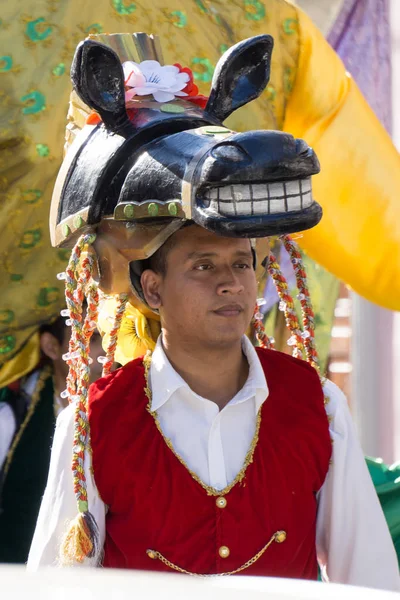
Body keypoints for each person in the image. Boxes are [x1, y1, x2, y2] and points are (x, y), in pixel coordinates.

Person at [27, 33, 399, 590]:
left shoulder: (317, 405)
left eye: (241, 264)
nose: (231, 283)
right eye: (203, 266)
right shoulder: (92, 425)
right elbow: (56, 586)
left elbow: (366, 577)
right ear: (152, 290)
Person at [0, 316, 104, 563]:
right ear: (51, 347)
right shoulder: (12, 414)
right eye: (94, 338)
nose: (105, 350)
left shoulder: (131, 409)